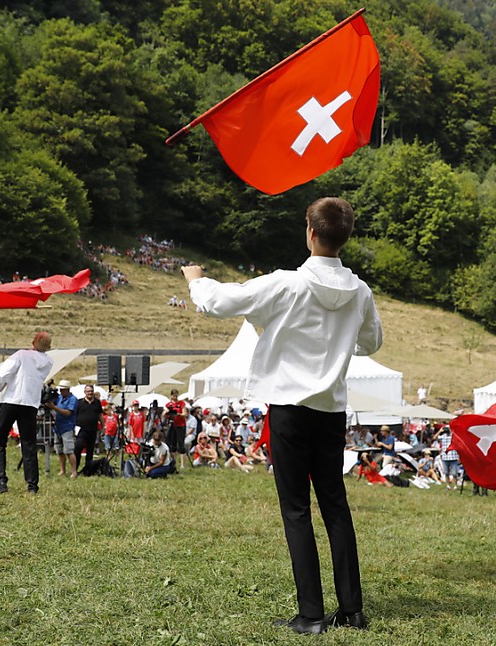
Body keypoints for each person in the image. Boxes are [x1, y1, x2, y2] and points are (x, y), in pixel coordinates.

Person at [182, 197, 382, 634]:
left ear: (310, 232)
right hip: (330, 409)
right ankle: (352, 610)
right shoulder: (360, 291)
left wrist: (196, 280)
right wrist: (337, 340)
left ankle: (311, 613)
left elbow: (219, 302)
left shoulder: (286, 284)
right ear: (345, 237)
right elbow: (372, 342)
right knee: (335, 507)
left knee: (296, 510)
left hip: (289, 409)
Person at [0, 331, 53, 494]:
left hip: (12, 401)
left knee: (0, 441)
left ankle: (2, 482)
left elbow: (4, 374)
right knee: (29, 445)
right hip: (30, 404)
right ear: (49, 346)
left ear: (33, 341)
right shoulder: (49, 362)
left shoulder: (21, 354)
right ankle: (32, 486)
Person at [46, 379, 78, 478]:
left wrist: (54, 407)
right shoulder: (59, 398)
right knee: (59, 450)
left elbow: (68, 413)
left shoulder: (73, 399)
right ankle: (62, 470)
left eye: (63, 389)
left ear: (68, 389)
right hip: (58, 427)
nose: (61, 391)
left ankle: (73, 471)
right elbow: (50, 400)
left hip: (67, 427)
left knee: (69, 450)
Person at [74, 385, 105, 473]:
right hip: (81, 429)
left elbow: (100, 415)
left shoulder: (97, 402)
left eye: (91, 391)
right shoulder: (79, 402)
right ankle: (75, 469)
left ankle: (88, 470)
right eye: (88, 391)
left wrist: (103, 426)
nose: (90, 393)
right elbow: (74, 414)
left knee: (90, 450)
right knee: (78, 448)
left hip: (93, 429)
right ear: (85, 392)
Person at [164, 389, 187, 469]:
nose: (175, 397)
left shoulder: (181, 403)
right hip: (172, 425)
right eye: (173, 395)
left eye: (176, 395)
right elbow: (164, 414)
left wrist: (179, 414)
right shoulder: (168, 404)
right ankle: (174, 462)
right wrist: (167, 413)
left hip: (180, 425)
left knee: (180, 444)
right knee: (172, 444)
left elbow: (185, 413)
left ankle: (183, 464)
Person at [435, 426, 461, 491]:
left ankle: (455, 486)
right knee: (446, 473)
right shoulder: (443, 436)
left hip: (453, 457)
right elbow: (434, 438)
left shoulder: (453, 436)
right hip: (445, 457)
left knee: (454, 473)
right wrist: (440, 431)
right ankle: (448, 486)